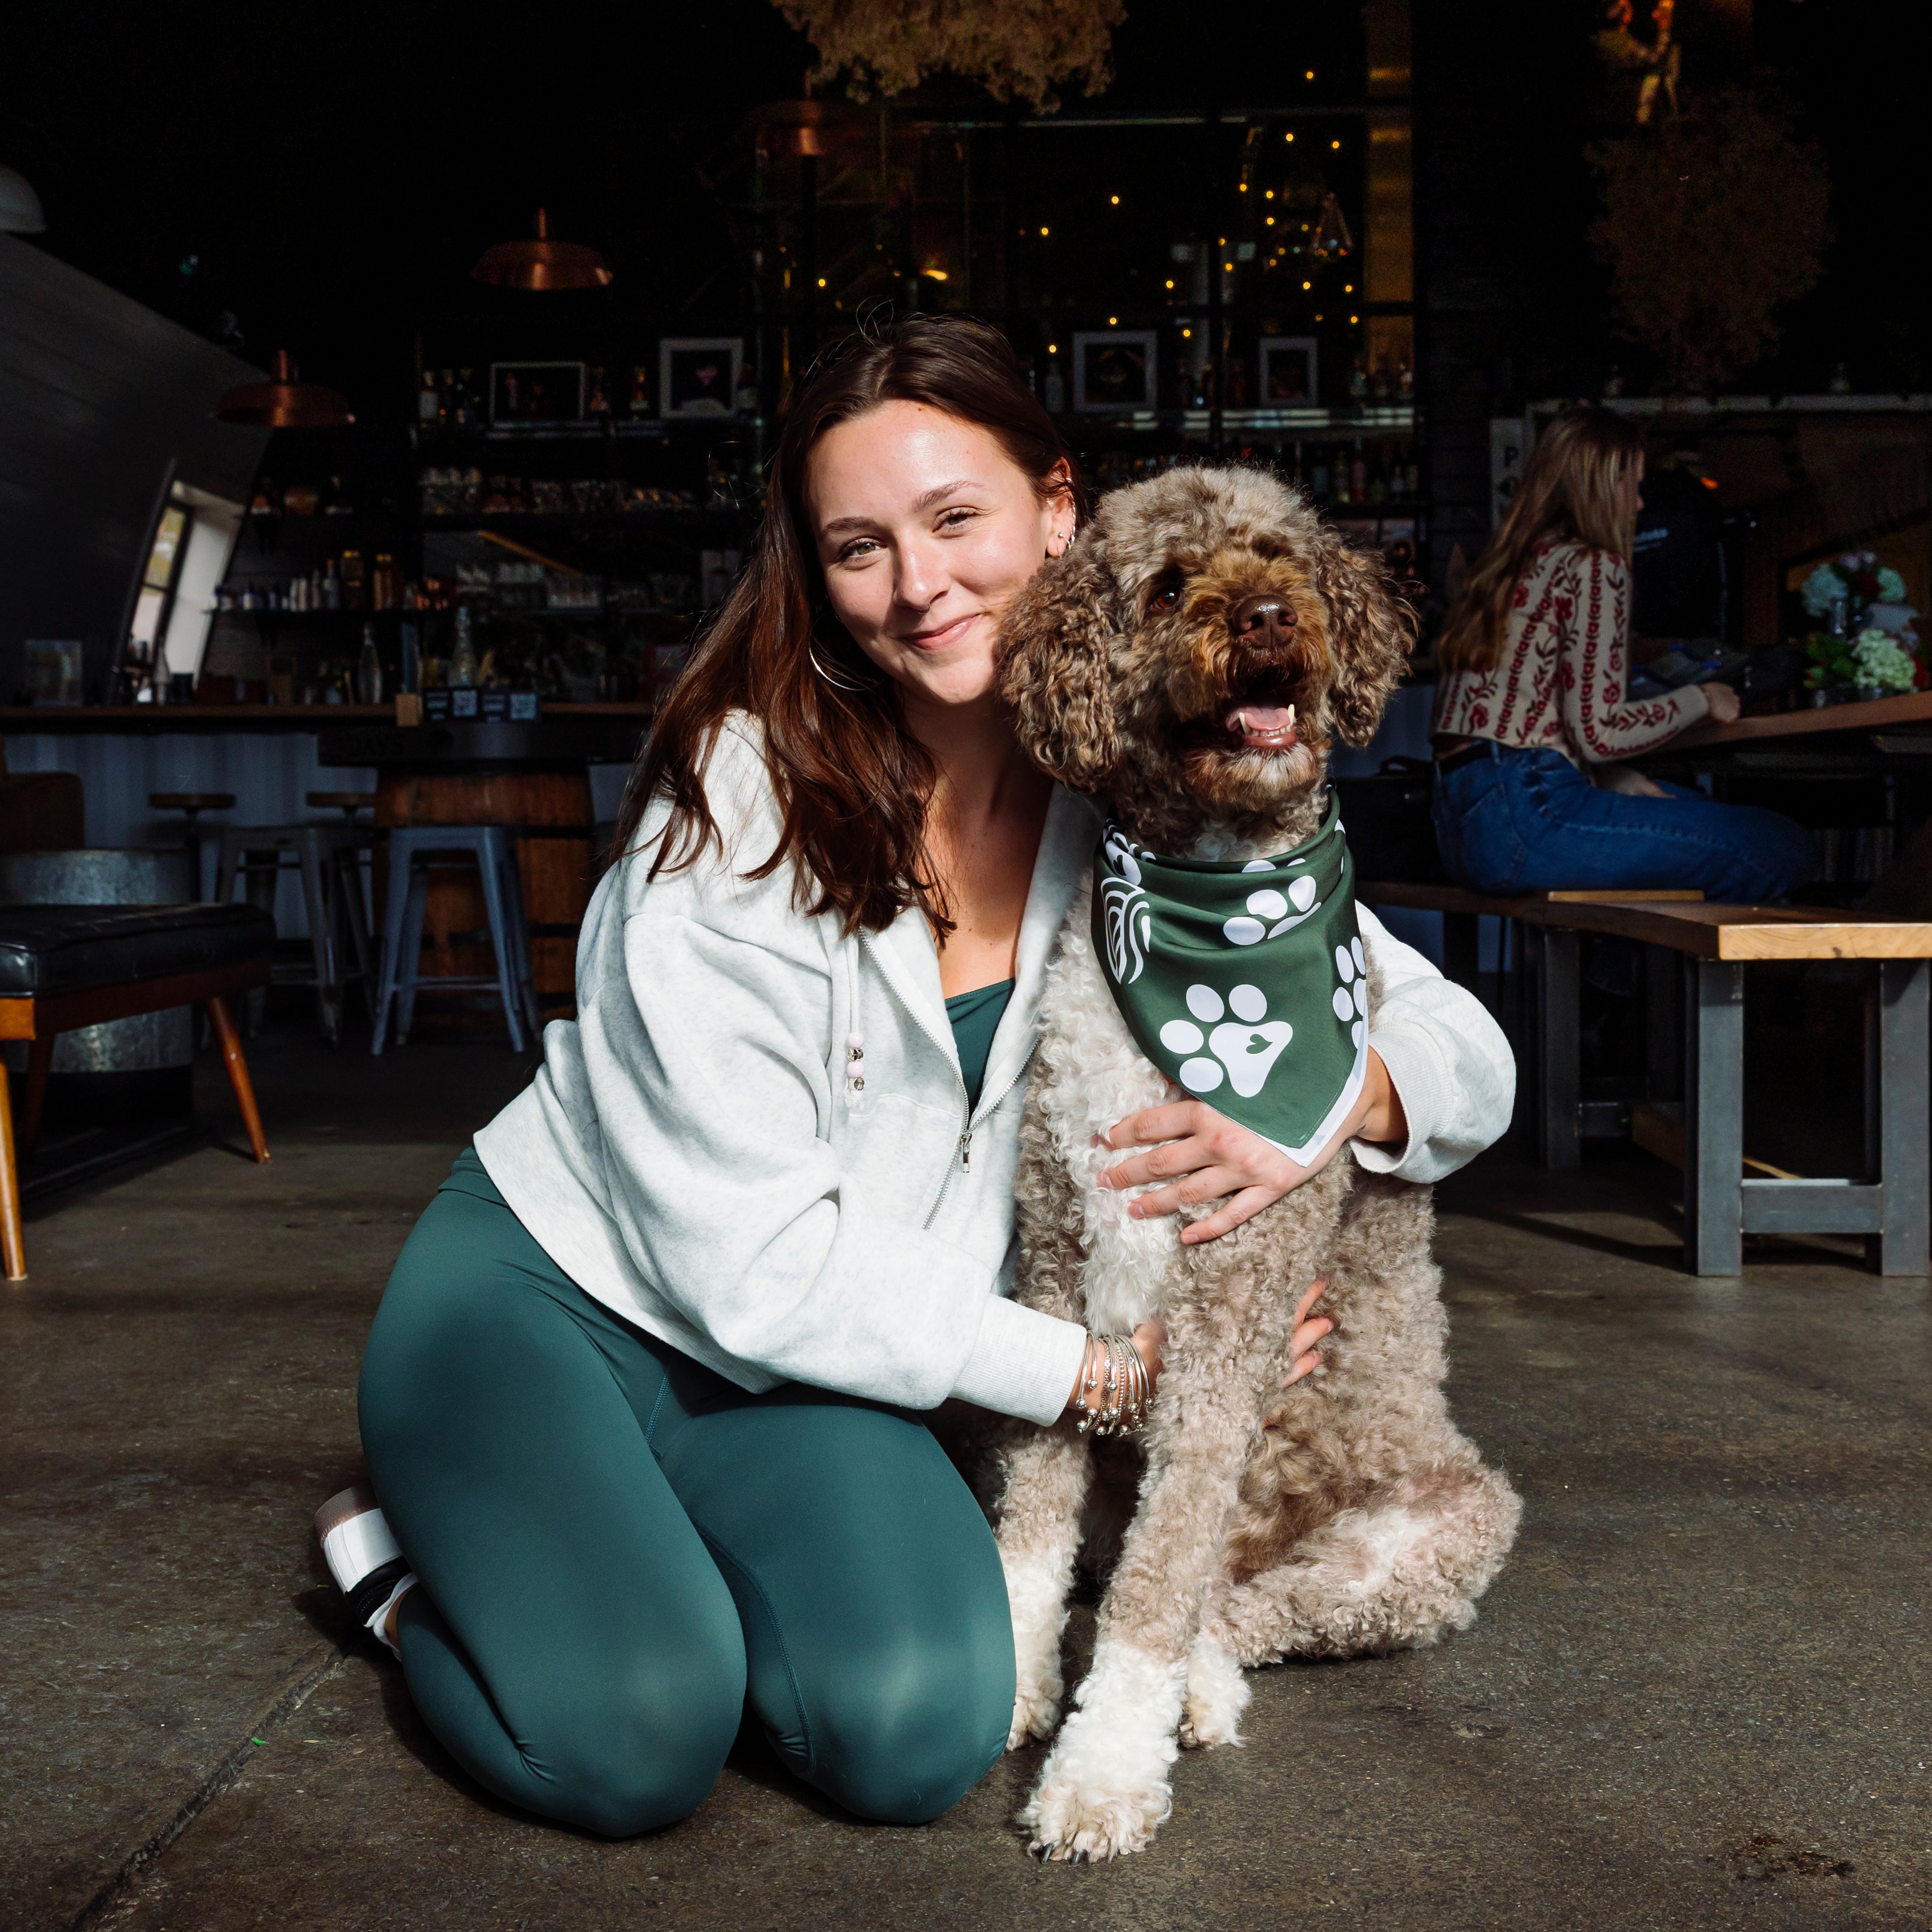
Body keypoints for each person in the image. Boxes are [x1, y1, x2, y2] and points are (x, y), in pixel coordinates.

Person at [321, 317, 1516, 1839]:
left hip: (832, 1364)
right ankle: (411, 1571)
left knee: (915, 1737)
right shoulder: (737, 806)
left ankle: (623, 1562)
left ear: (1060, 512)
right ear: (816, 579)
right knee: (629, 1743)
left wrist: (1322, 1111)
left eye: (957, 519)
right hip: (564, 1306)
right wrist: (1101, 1376)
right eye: (858, 547)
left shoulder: (1138, 806)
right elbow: (748, 1264)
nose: (920, 584)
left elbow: (1457, 1049)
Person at [1431, 405, 1813, 902]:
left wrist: (1612, 778)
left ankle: (1616, 977)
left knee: (1676, 811)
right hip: (1529, 815)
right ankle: (1714, 979)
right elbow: (1600, 732)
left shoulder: (1509, 564)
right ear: (1598, 488)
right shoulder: (1594, 566)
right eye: (1631, 485)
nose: (1637, 505)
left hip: (1464, 825)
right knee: (1780, 845)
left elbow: (1531, 725)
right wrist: (1703, 697)